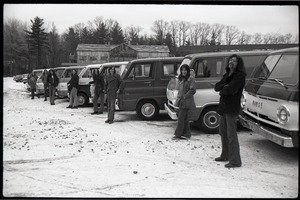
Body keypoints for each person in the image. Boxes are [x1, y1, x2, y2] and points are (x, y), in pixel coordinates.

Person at [214, 54, 246, 168]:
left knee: (231, 135)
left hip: (231, 108)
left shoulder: (240, 76)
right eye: (231, 60)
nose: (231, 62)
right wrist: (225, 87)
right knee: (223, 132)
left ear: (238, 64)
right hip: (223, 107)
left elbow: (229, 89)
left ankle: (235, 161)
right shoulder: (227, 74)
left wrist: (225, 88)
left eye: (234, 61)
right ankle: (225, 155)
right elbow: (217, 87)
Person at [173, 64, 196, 140]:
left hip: (187, 102)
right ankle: (187, 134)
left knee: (180, 118)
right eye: (182, 70)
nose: (183, 71)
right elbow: (179, 90)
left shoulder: (190, 78)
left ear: (188, 71)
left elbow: (193, 90)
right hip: (181, 102)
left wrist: (185, 96)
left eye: (185, 70)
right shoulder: (181, 79)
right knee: (185, 119)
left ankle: (178, 134)